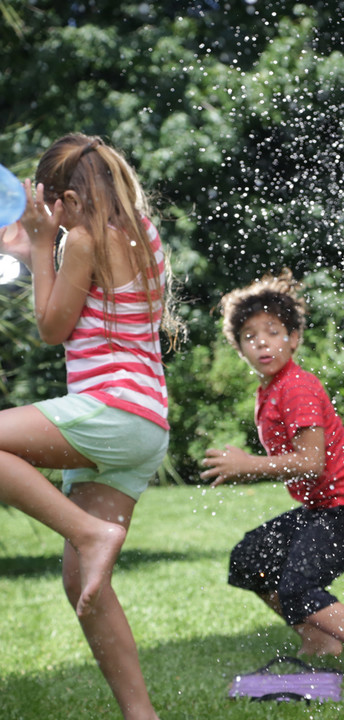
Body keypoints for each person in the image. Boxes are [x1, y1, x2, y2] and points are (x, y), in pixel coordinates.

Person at [0, 133, 180, 720]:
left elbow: (52, 328)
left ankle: (89, 531)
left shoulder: (81, 238)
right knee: (84, 585)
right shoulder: (139, 234)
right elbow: (75, 304)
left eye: (49, 205)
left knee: (86, 549)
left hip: (112, 410)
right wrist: (34, 250)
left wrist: (48, 239)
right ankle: (141, 715)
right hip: (143, 425)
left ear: (69, 200)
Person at [200, 270, 344, 681]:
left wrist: (248, 466)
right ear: (240, 348)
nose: (262, 341)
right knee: (251, 560)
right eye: (249, 335)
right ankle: (320, 639)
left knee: (297, 586)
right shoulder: (271, 389)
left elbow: (309, 462)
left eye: (273, 331)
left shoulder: (296, 387)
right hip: (325, 508)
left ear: (294, 338)